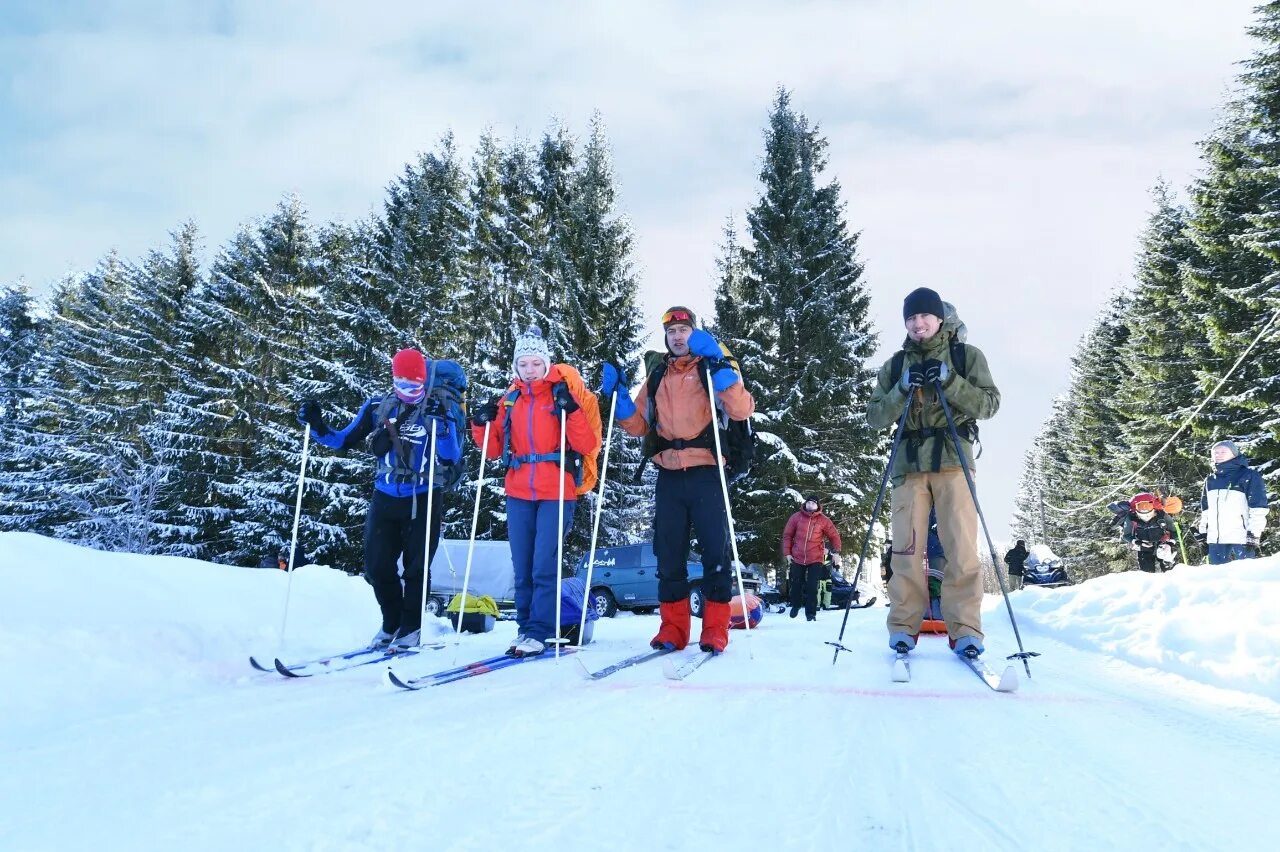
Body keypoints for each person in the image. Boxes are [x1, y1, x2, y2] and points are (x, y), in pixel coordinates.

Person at [600, 306, 755, 655]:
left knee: (715, 553)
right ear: (666, 338)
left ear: (694, 333)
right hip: (668, 475)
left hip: (706, 472)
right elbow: (639, 425)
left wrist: (722, 369)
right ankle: (672, 629)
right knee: (669, 556)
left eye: (684, 329)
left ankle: (715, 630)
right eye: (672, 332)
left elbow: (742, 410)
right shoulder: (657, 375)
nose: (678, 336)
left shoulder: (710, 368)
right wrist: (621, 400)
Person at [298, 348, 465, 650]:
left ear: (424, 381)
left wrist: (443, 428)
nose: (408, 393)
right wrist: (318, 425)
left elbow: (451, 456)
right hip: (385, 495)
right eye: (402, 386)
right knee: (377, 566)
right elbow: (343, 440)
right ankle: (391, 623)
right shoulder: (378, 406)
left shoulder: (439, 407)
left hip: (425, 496)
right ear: (393, 380)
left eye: (415, 387)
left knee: (416, 568)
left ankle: (411, 629)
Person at [866, 288, 1000, 659]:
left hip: (954, 460)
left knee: (960, 549)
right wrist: (902, 388)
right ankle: (903, 629)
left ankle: (966, 630)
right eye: (911, 318)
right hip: (908, 466)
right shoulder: (895, 366)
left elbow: (989, 404)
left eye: (924, 316)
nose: (918, 323)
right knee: (906, 551)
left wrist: (949, 381)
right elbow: (875, 416)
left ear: (940, 318)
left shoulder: (965, 356)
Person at [471, 326, 602, 657]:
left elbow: (586, 444)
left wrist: (570, 410)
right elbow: (491, 448)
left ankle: (539, 631)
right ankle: (525, 628)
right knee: (523, 565)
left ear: (546, 364)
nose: (529, 371)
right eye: (523, 365)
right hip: (518, 491)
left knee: (544, 563)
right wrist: (479, 421)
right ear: (516, 367)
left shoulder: (559, 395)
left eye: (535, 364)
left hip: (557, 491)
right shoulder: (511, 400)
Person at [1196, 440, 1269, 565]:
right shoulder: (1210, 480)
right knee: (1217, 577)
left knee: (1247, 575)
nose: (1218, 454)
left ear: (1234, 454)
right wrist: (1203, 532)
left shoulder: (1248, 475)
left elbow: (1258, 507)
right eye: (1215, 452)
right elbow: (1206, 509)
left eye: (1223, 451)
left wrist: (1254, 534)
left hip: (1241, 537)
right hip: (1216, 539)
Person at [781, 494, 843, 621]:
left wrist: (836, 552)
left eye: (813, 503)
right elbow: (787, 535)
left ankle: (811, 613)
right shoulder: (796, 517)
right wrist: (787, 553)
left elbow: (834, 535)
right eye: (809, 503)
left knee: (812, 586)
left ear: (817, 506)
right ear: (805, 503)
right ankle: (796, 605)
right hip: (797, 556)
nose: (811, 505)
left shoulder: (823, 520)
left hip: (815, 557)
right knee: (796, 583)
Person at [1121, 492, 1177, 573]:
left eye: (1147, 505)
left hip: (1163, 545)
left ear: (1153, 505)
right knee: (1146, 573)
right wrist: (1138, 542)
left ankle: (1170, 574)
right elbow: (1126, 535)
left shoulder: (1162, 515)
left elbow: (1175, 531)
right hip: (1144, 548)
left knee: (1170, 570)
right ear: (1135, 507)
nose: (1144, 509)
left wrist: (1170, 544)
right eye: (1140, 506)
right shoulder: (1131, 518)